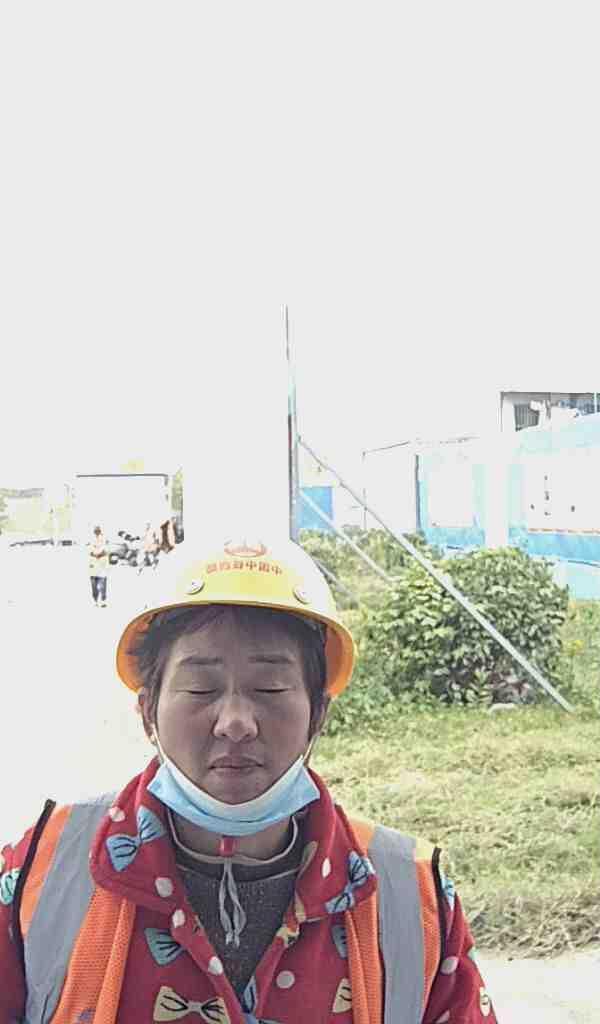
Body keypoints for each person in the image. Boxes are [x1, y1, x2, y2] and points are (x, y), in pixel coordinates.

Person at [0, 538, 497, 1023]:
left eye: (270, 687)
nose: (235, 722)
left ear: (318, 713)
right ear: (148, 710)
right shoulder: (44, 868)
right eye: (201, 687)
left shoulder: (410, 895)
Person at [88, 524, 109, 607]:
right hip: (93, 564)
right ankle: (95, 600)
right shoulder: (90, 539)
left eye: (98, 530)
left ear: (100, 531)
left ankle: (103, 600)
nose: (97, 531)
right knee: (93, 584)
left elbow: (106, 550)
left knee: (102, 583)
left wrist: (99, 554)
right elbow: (89, 550)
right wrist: (94, 554)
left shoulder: (104, 539)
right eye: (95, 530)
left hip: (102, 564)